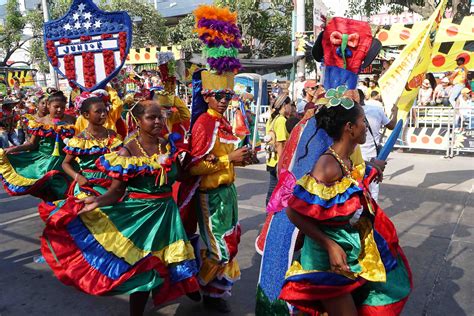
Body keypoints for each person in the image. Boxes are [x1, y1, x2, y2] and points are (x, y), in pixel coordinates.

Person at [42, 100, 200, 316]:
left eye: (160, 117)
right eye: (151, 117)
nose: (157, 121)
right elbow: (116, 191)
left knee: (174, 260)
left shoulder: (167, 144)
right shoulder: (126, 152)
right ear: (137, 121)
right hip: (140, 216)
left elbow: (181, 175)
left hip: (167, 213)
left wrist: (203, 160)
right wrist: (96, 202)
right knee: (144, 269)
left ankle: (190, 290)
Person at [279, 96, 411, 315]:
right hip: (325, 262)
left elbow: (350, 182)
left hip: (345, 256)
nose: (367, 128)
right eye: (363, 122)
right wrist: (330, 245)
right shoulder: (327, 165)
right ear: (349, 127)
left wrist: (372, 168)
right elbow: (293, 211)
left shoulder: (346, 161)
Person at [0, 90, 75, 200]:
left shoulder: (72, 119)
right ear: (49, 105)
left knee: (69, 191)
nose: (60, 110)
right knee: (52, 192)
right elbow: (32, 144)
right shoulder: (40, 122)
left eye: (63, 107)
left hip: (67, 161)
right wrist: (15, 148)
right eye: (56, 107)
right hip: (45, 164)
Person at [360, 90, 398, 201]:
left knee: (358, 187)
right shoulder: (376, 110)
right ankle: (372, 214)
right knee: (372, 189)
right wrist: (395, 113)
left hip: (360, 157)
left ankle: (364, 214)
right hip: (372, 156)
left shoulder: (351, 113)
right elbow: (391, 125)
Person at [265, 94, 291, 205]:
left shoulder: (273, 118)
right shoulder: (281, 120)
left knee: (272, 189)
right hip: (277, 161)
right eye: (290, 105)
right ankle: (270, 216)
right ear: (285, 105)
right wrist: (282, 165)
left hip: (271, 160)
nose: (292, 108)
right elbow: (280, 144)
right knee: (274, 191)